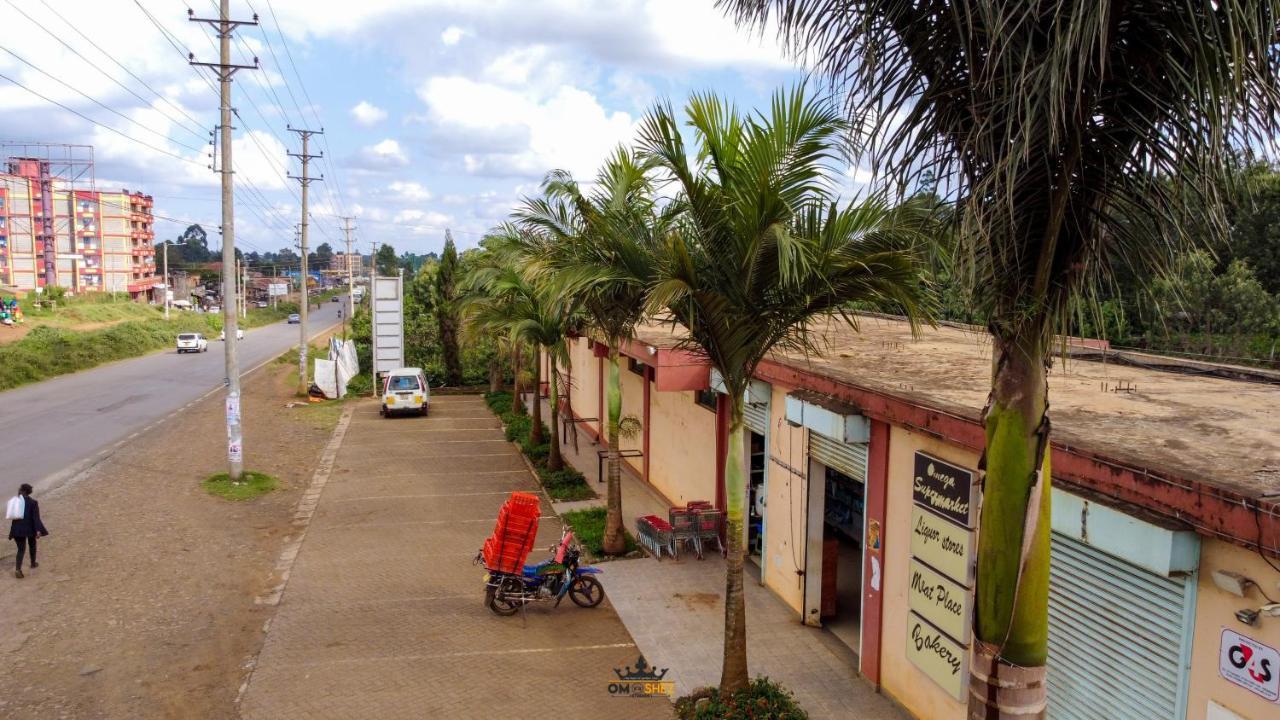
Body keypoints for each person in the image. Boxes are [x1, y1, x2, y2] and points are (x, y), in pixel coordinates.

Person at [7, 483, 48, 578]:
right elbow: (36, 518)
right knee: (32, 545)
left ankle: (18, 569)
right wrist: (38, 530)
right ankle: (33, 563)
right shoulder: (33, 502)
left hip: (17, 529)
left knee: (21, 550)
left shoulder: (15, 502)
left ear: (23, 491)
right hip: (30, 528)